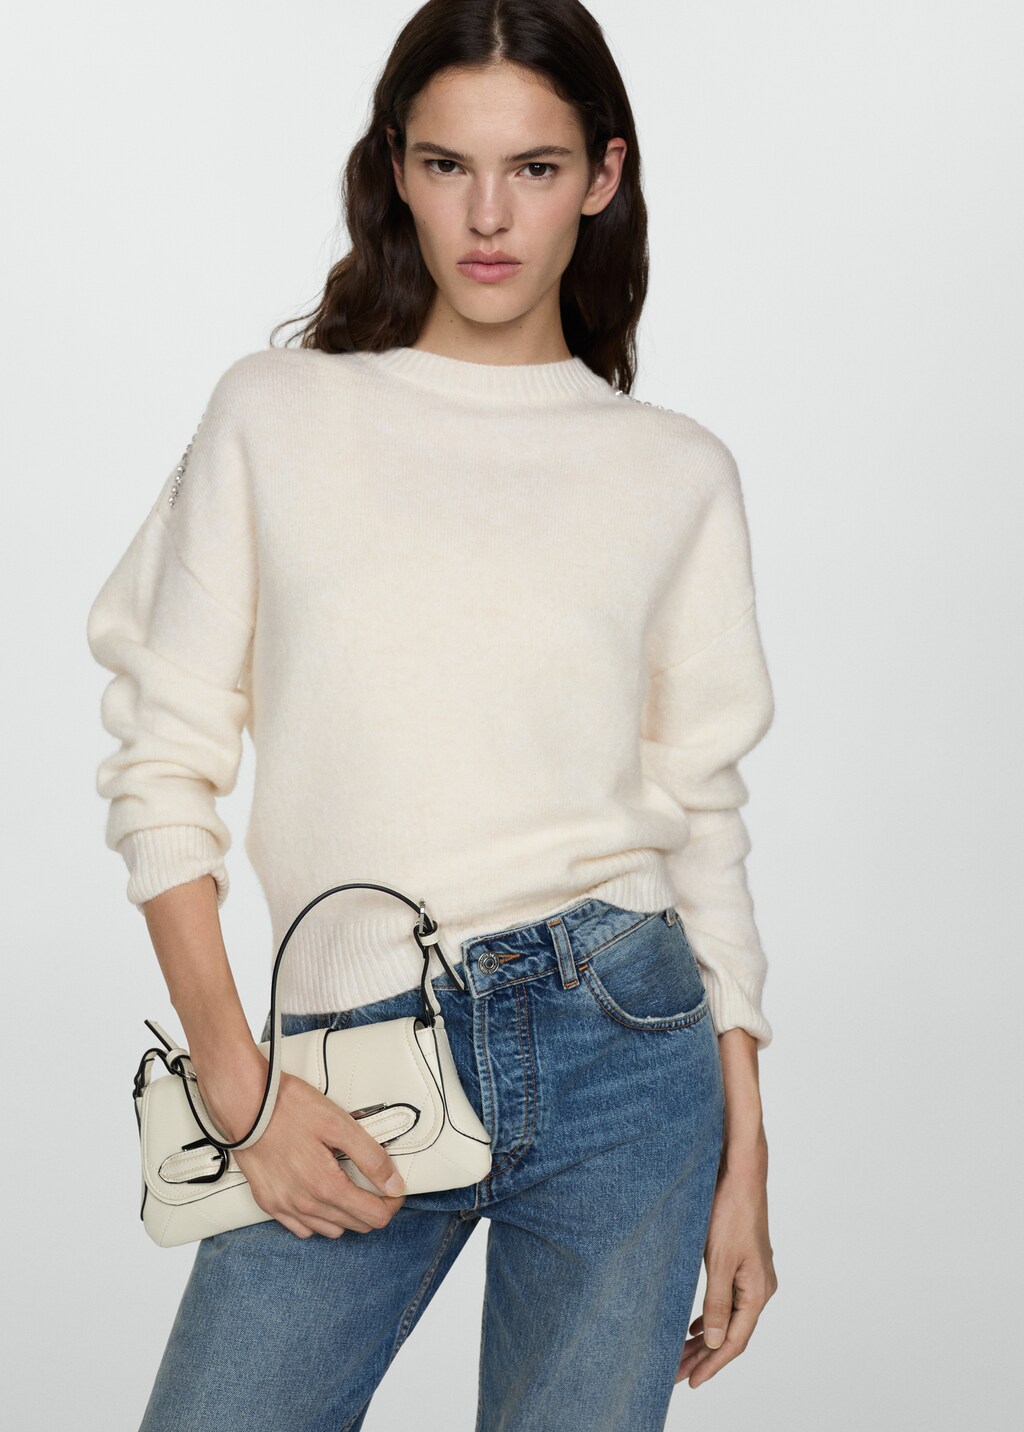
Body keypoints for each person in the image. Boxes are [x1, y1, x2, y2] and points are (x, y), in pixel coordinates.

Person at [86, 2, 779, 1427]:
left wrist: (748, 1161)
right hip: (348, 1052)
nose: (489, 216)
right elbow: (162, 763)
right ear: (394, 168)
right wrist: (238, 1089)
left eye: (535, 168)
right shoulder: (275, 414)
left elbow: (704, 819)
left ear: (603, 175)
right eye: (448, 164)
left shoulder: (675, 473)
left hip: (626, 1040)